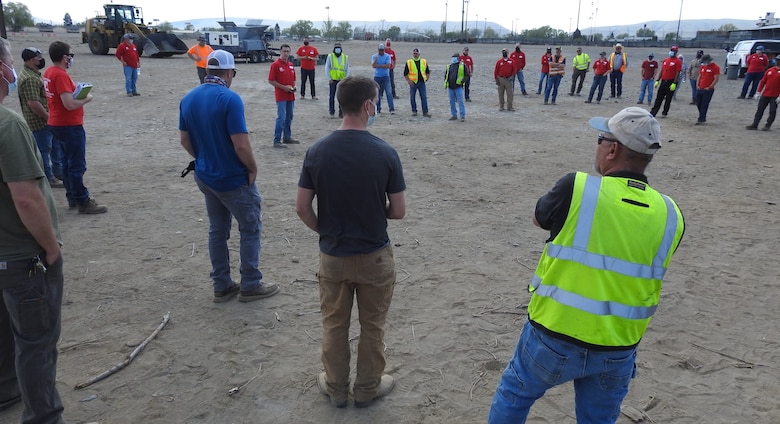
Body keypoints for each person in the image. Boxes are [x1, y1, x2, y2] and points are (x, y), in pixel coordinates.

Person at [488, 106, 685, 424]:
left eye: (600, 138)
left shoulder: (577, 188)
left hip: (553, 334)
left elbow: (539, 218)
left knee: (514, 394)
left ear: (612, 149)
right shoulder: (671, 214)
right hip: (618, 346)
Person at [295, 75, 406, 409]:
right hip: (374, 255)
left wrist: (326, 230)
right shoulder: (385, 152)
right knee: (373, 327)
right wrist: (375, 208)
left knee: (334, 325)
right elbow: (398, 211)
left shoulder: (317, 150)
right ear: (368, 105)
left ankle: (337, 387)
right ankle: (368, 387)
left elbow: (302, 207)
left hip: (333, 256)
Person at [0, 36, 66, 424]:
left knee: (8, 335)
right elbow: (26, 198)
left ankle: (7, 389)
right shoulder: (7, 125)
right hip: (21, 257)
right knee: (37, 344)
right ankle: (43, 416)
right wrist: (50, 248)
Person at [179, 50, 280, 303]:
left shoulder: (188, 98)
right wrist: (252, 168)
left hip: (205, 176)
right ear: (228, 72)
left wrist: (204, 157)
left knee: (217, 229)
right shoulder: (230, 99)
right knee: (250, 227)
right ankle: (250, 284)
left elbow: (184, 140)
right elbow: (241, 145)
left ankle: (222, 284)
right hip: (231, 178)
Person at [43, 41, 107, 214]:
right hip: (68, 124)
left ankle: (72, 197)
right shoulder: (60, 75)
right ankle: (82, 201)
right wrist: (87, 98)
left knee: (66, 163)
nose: (71, 59)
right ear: (65, 57)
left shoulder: (49, 72)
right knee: (76, 165)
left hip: (57, 123)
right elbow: (69, 104)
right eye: (70, 55)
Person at [18, 46, 64, 188]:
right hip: (40, 121)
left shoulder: (32, 74)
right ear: (32, 60)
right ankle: (49, 177)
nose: (41, 60)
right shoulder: (30, 78)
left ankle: (58, 172)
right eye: (39, 58)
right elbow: (33, 103)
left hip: (45, 119)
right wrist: (48, 118)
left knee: (54, 146)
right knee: (45, 150)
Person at [268, 44, 298, 148]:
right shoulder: (275, 65)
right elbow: (271, 80)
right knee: (281, 117)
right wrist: (283, 87)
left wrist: (293, 87)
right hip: (281, 96)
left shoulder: (290, 64)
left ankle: (287, 137)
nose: (286, 53)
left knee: (289, 116)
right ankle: (277, 140)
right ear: (280, 52)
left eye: (287, 51)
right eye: (284, 51)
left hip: (290, 95)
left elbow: (293, 78)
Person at [746, 58, 780, 131]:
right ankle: (755, 124)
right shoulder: (770, 70)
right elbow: (763, 81)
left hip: (775, 95)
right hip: (766, 94)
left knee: (772, 111)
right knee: (760, 109)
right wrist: (758, 91)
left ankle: (767, 126)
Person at [650, 46, 682, 118]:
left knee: (668, 98)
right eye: (671, 50)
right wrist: (658, 80)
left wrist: (674, 83)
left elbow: (677, 72)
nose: (671, 52)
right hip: (664, 81)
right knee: (659, 97)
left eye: (673, 50)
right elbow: (662, 70)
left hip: (671, 81)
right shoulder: (665, 60)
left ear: (676, 52)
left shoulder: (677, 61)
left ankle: (665, 112)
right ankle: (653, 112)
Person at [403, 48, 431, 117]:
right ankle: (414, 111)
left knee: (423, 97)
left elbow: (427, 71)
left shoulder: (424, 61)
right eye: (414, 53)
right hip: (413, 83)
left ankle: (425, 112)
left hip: (422, 82)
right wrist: (409, 81)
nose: (415, 54)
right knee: (412, 97)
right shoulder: (409, 62)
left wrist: (427, 78)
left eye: (416, 53)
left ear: (419, 53)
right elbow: (405, 73)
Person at [325, 41, 349, 118]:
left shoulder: (345, 57)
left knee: (341, 97)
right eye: (336, 48)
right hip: (333, 80)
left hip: (342, 80)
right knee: (332, 96)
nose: (337, 49)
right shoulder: (330, 56)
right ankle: (331, 112)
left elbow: (347, 69)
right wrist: (329, 78)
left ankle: (341, 112)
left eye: (339, 47)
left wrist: (346, 79)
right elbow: (327, 68)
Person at [694, 54, 720, 125]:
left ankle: (701, 118)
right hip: (700, 87)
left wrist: (710, 87)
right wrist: (697, 84)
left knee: (704, 104)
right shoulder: (703, 67)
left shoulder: (715, 67)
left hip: (708, 89)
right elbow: (700, 76)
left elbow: (716, 78)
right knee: (698, 102)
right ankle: (702, 116)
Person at [371, 43, 394, 114]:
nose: (381, 52)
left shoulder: (387, 56)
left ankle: (391, 108)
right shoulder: (374, 56)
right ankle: (378, 108)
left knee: (389, 92)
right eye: (380, 50)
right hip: (377, 77)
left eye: (382, 50)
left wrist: (379, 65)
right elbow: (373, 66)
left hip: (385, 76)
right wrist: (376, 61)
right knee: (377, 93)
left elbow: (388, 66)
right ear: (378, 50)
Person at [296, 35, 319, 100]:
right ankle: (302, 95)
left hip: (311, 68)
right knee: (303, 81)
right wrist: (304, 57)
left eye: (306, 39)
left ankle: (313, 95)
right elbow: (297, 57)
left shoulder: (313, 49)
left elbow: (317, 58)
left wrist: (311, 58)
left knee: (312, 82)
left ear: (309, 40)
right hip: (303, 68)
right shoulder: (301, 49)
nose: (305, 41)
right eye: (304, 40)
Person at [446, 52, 467, 121]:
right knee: (452, 102)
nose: (453, 58)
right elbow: (446, 75)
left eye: (455, 57)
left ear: (458, 58)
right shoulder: (449, 66)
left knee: (460, 102)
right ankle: (454, 115)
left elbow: (466, 75)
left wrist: (461, 82)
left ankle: (462, 116)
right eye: (453, 57)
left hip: (458, 87)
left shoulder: (462, 65)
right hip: (450, 87)